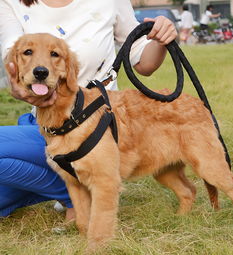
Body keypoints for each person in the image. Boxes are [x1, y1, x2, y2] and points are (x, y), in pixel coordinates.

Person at [0, 0, 177, 220]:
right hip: (43, 125)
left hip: (96, 127)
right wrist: (17, 86)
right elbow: (11, 57)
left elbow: (143, 61)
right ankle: (73, 187)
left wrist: (162, 36)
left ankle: (77, 193)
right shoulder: (10, 2)